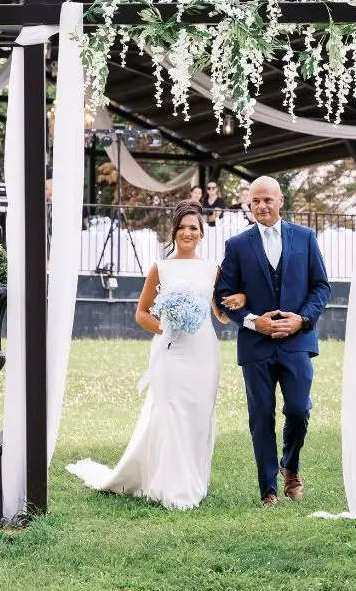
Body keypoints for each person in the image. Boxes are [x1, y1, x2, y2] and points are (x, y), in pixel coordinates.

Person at [67, 202, 240, 509]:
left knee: (199, 415)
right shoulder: (160, 268)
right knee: (171, 411)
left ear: (201, 234)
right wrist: (168, 328)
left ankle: (194, 478)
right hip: (172, 352)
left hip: (204, 353)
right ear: (173, 231)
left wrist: (240, 300)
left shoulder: (213, 269)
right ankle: (172, 486)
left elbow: (222, 315)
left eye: (194, 228)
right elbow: (141, 313)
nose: (188, 233)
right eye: (183, 227)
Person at [215, 176, 331, 506]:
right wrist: (254, 322)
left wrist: (302, 319)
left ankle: (290, 466)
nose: (262, 206)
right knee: (261, 415)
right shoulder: (237, 245)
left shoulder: (306, 238)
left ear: (281, 201)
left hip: (297, 342)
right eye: (255, 201)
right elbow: (224, 293)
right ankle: (268, 489)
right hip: (256, 346)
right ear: (248, 206)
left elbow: (321, 287)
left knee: (298, 410)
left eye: (268, 199)